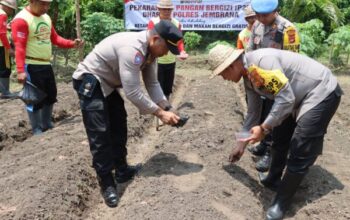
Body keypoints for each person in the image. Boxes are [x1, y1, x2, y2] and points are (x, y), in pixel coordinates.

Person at [208, 44, 342, 220]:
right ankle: (273, 178)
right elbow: (253, 113)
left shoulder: (264, 63)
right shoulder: (249, 76)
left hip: (320, 91)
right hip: (295, 97)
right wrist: (241, 144)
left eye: (222, 73)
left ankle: (281, 203)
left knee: (301, 145)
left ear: (232, 65)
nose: (223, 78)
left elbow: (285, 99)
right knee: (280, 137)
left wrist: (264, 128)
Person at [72, 20, 182, 208]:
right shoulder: (133, 50)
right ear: (155, 39)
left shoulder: (150, 52)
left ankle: (121, 169)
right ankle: (107, 183)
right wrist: (160, 114)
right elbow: (133, 92)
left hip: (108, 83)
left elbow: (152, 84)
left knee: (119, 124)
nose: (166, 54)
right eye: (166, 48)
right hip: (91, 79)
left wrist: (167, 107)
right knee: (100, 134)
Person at [11, 0, 83, 135]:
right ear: (32, 1)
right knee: (34, 97)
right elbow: (19, 47)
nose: (46, 7)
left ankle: (46, 123)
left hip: (45, 64)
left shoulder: (46, 18)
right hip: (31, 65)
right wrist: (20, 70)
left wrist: (72, 44)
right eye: (43, 4)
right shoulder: (21, 20)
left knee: (51, 94)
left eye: (48, 4)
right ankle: (37, 128)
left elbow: (55, 39)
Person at [246, 0, 301, 173]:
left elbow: (292, 61)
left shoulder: (287, 29)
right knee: (262, 113)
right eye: (258, 15)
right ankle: (263, 143)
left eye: (265, 15)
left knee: (275, 117)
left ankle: (271, 152)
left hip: (278, 83)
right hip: (260, 80)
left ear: (275, 11)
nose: (261, 18)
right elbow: (250, 50)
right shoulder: (256, 26)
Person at [147, 0, 188, 101]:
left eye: (169, 9)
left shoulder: (176, 23)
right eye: (164, 9)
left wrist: (181, 51)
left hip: (171, 60)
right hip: (157, 61)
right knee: (157, 87)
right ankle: (158, 110)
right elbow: (149, 40)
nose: (166, 11)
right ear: (159, 9)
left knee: (168, 88)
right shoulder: (153, 22)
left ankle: (166, 106)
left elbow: (179, 41)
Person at [0, 0, 16, 98]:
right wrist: (9, 48)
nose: (11, 12)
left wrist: (7, 27)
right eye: (11, 9)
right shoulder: (3, 15)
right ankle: (5, 93)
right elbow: (1, 34)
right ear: (7, 7)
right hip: (2, 46)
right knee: (5, 68)